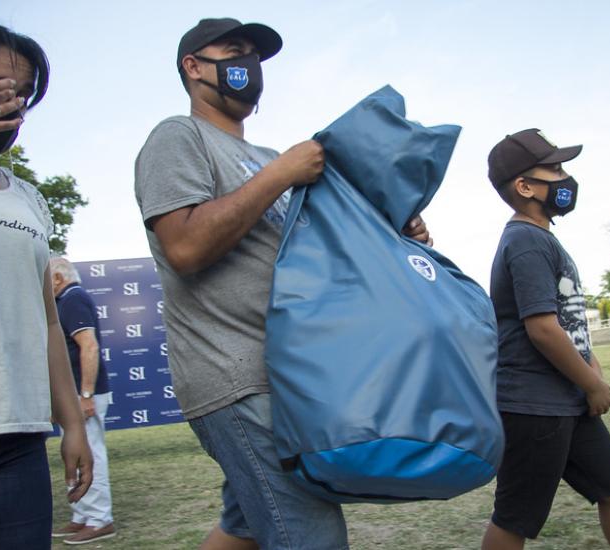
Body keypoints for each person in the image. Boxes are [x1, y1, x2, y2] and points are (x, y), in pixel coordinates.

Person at [134, 18, 431, 550]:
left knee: (245, 527)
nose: (248, 65)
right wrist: (281, 175)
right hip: (235, 377)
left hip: (288, 374)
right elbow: (185, 247)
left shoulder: (270, 159)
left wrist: (397, 235)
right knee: (311, 534)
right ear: (193, 67)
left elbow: (324, 257)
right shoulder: (178, 136)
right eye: (234, 51)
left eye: (254, 55)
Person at [481, 129, 610, 550]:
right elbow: (542, 328)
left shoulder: (541, 238)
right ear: (525, 187)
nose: (565, 179)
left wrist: (590, 369)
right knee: (515, 518)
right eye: (555, 169)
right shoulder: (525, 241)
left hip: (568, 399)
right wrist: (593, 385)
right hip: (535, 406)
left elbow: (567, 319)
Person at [0, 19, 93, 550]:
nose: (10, 103)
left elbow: (46, 320)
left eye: (20, 93)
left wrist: (73, 424)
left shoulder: (27, 199)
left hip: (14, 440)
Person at [49, 257, 116, 544]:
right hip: (73, 396)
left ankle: (100, 520)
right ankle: (82, 516)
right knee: (75, 453)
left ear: (58, 278)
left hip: (83, 395)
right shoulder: (65, 300)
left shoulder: (73, 298)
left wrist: (85, 395)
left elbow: (89, 346)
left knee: (91, 454)